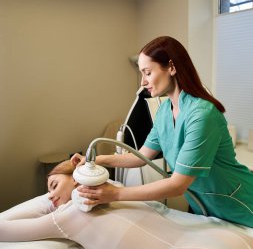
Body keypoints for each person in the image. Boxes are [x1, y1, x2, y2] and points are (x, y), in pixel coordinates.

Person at [1, 160, 253, 249]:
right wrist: (57, 193)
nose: (51, 196)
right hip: (227, 240)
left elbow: (4, 228)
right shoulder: (117, 189)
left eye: (53, 185)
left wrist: (49, 204)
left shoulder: (68, 216)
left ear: (79, 176)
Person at [71, 36, 253, 228]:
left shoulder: (202, 115)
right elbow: (141, 157)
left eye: (147, 73)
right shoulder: (165, 112)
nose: (143, 82)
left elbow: (177, 185)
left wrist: (115, 194)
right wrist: (96, 160)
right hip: (209, 211)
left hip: (242, 206)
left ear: (172, 67)